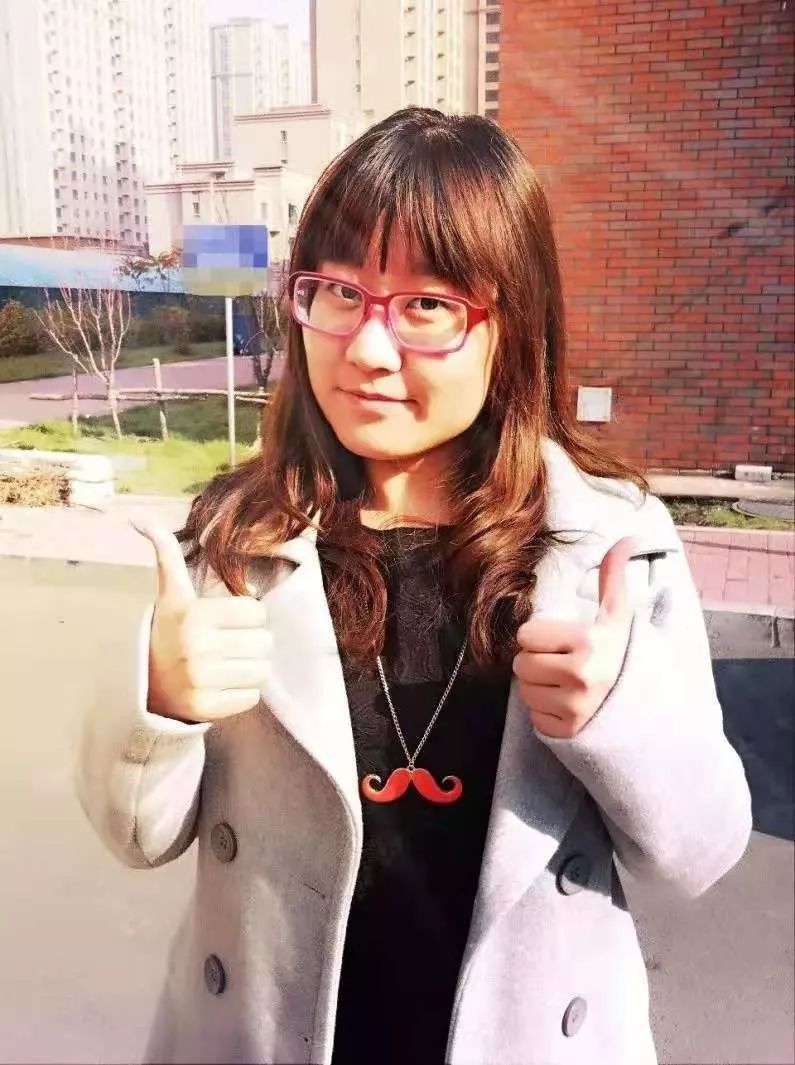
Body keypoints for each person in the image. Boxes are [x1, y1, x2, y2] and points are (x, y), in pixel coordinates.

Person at [76, 107, 752, 1065]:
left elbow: (698, 855)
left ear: (509, 325)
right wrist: (161, 701)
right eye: (338, 292)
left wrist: (619, 716)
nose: (366, 349)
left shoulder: (606, 548)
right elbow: (136, 834)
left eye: (427, 306)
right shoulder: (241, 537)